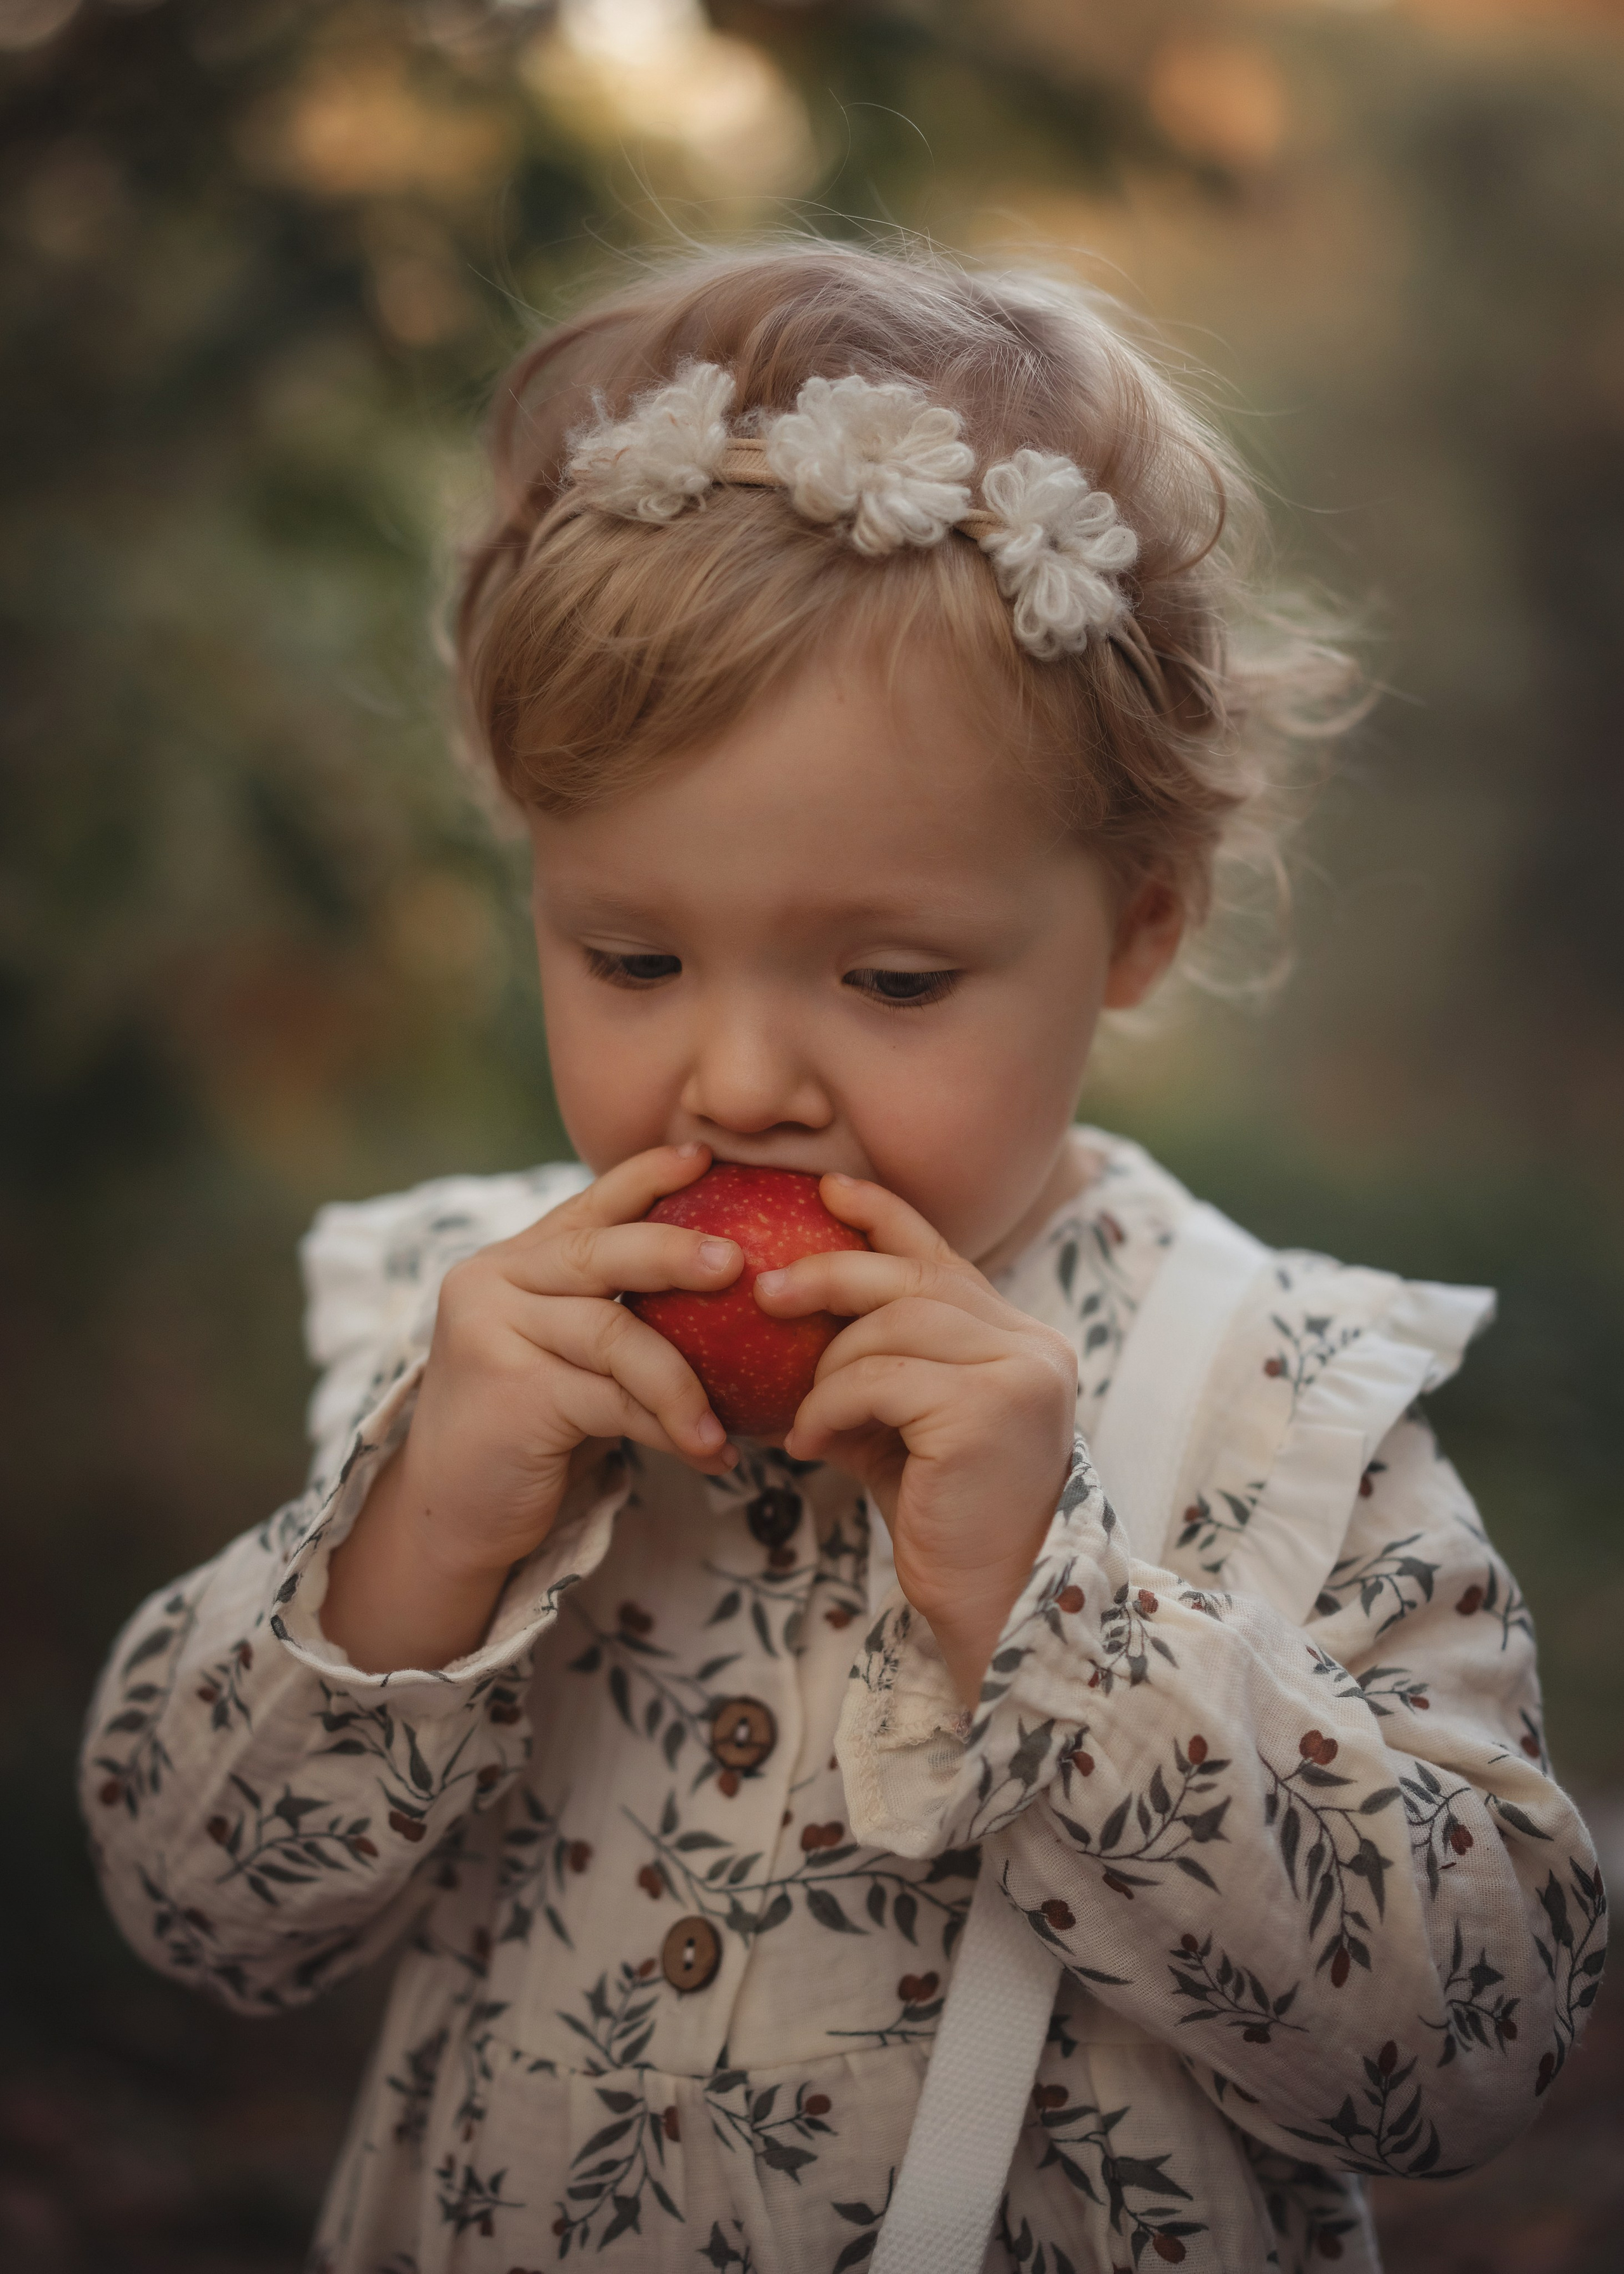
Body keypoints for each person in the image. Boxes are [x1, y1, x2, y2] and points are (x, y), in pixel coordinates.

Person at [81, 243, 1602, 2274]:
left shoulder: (1275, 1393)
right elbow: (200, 1906)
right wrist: (423, 1535)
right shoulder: (471, 1335)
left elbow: (1463, 2055)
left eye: (890, 979)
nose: (734, 1081)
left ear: (1140, 924)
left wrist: (1051, 1613)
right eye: (631, 957)